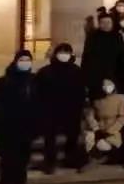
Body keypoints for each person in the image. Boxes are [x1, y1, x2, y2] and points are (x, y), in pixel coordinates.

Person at [0, 51, 39, 184]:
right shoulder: (3, 82)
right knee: (8, 158)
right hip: (7, 126)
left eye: (28, 60)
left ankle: (20, 182)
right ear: (15, 61)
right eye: (22, 59)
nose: (25, 62)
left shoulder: (33, 81)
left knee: (24, 156)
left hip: (26, 125)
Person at [35, 43, 86, 173]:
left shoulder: (77, 71)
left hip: (71, 110)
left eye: (66, 52)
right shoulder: (45, 72)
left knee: (72, 136)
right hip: (51, 110)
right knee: (49, 138)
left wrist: (79, 107)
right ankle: (50, 161)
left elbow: (81, 91)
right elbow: (38, 91)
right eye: (61, 52)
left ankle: (70, 159)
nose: (64, 55)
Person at [80, 78, 124, 172]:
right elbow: (90, 116)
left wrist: (110, 131)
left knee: (103, 145)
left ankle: (103, 157)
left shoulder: (120, 98)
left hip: (113, 131)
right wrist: (96, 129)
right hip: (99, 129)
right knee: (89, 136)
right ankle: (92, 158)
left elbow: (121, 119)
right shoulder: (97, 101)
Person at [81, 14, 124, 100]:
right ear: (99, 24)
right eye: (103, 22)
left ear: (112, 23)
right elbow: (86, 57)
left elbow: (122, 55)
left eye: (108, 22)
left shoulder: (117, 36)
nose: (106, 25)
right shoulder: (92, 37)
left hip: (114, 73)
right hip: (96, 75)